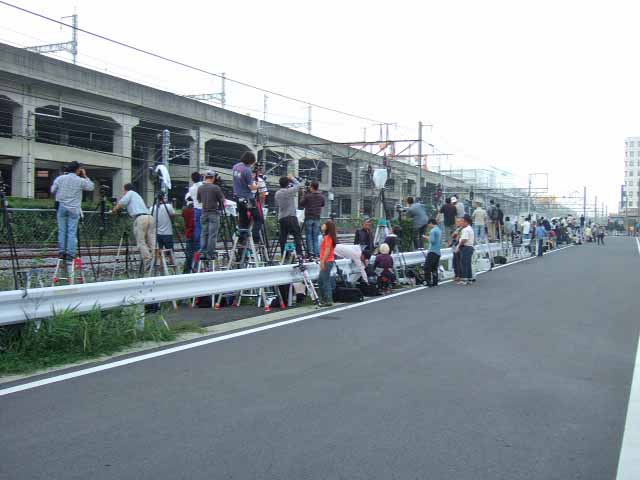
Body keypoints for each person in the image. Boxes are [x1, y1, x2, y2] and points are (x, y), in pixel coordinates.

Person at [51, 161, 95, 260]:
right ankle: (71, 253)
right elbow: (91, 187)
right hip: (74, 208)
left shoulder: (60, 178)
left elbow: (52, 190)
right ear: (78, 170)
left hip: (61, 206)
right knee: (71, 231)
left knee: (62, 230)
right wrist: (85, 176)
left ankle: (62, 252)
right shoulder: (80, 180)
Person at [111, 183, 156, 266]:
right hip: (150, 217)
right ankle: (156, 259)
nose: (123, 193)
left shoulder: (130, 193)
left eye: (123, 191)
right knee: (151, 241)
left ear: (126, 190)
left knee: (140, 241)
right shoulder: (137, 195)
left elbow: (121, 203)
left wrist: (114, 210)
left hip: (140, 218)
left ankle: (148, 259)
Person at [197, 169, 225, 260]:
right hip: (213, 213)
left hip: (204, 213)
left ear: (205, 177)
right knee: (212, 234)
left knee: (204, 233)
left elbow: (199, 200)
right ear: (213, 178)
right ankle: (210, 253)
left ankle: (202, 253)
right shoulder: (216, 188)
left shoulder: (200, 188)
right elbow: (222, 200)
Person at [275, 174, 304, 257]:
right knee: (296, 235)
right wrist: (292, 178)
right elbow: (298, 185)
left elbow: (277, 204)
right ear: (288, 184)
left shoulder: (277, 193)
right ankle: (299, 254)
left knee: (283, 237)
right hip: (291, 217)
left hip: (282, 218)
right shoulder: (289, 191)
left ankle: (284, 255)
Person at [232, 152, 259, 242]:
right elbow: (251, 186)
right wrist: (257, 185)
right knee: (258, 218)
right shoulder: (247, 170)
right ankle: (255, 237)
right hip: (248, 199)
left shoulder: (235, 167)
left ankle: (241, 240)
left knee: (243, 219)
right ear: (250, 161)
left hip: (238, 197)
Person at [299, 181, 325, 258]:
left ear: (312, 187)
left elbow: (301, 203)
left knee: (309, 236)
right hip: (317, 218)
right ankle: (317, 254)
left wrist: (303, 194)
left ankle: (310, 253)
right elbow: (322, 204)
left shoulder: (308, 196)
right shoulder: (321, 196)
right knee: (315, 237)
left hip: (309, 218)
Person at [149, 195, 176, 265]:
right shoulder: (168, 206)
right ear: (163, 198)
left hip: (157, 233)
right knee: (170, 252)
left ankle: (161, 266)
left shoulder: (152, 208)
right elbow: (173, 215)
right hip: (168, 233)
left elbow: (150, 219)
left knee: (159, 252)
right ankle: (173, 266)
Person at [318, 221, 337, 306]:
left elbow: (327, 250)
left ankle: (327, 300)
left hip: (327, 261)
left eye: (324, 224)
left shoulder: (328, 237)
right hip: (328, 260)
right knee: (322, 280)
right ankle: (325, 299)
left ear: (327, 227)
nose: (322, 225)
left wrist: (322, 261)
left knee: (324, 281)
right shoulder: (328, 237)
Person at [186, 172, 203, 251]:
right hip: (205, 209)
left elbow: (190, 198)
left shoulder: (191, 189)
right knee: (206, 229)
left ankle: (198, 248)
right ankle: (204, 247)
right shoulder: (203, 186)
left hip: (196, 210)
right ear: (200, 178)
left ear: (192, 180)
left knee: (198, 229)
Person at [456, 214, 475, 285]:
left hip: (466, 247)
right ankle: (469, 278)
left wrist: (458, 246)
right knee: (468, 263)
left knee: (464, 264)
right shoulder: (470, 228)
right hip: (470, 247)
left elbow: (464, 239)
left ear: (466, 222)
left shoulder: (466, 229)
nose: (461, 223)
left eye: (462, 221)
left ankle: (464, 279)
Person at [422, 218, 441, 287]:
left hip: (432, 251)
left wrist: (425, 237)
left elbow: (432, 241)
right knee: (434, 268)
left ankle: (428, 282)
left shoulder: (433, 230)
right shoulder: (439, 230)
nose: (428, 226)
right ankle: (435, 282)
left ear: (431, 223)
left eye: (429, 224)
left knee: (427, 267)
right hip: (438, 251)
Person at [182, 198, 196, 273]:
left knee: (189, 254)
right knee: (197, 253)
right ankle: (196, 269)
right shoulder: (195, 210)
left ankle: (186, 271)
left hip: (188, 234)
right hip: (196, 234)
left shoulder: (185, 210)